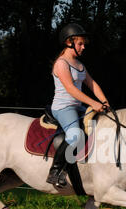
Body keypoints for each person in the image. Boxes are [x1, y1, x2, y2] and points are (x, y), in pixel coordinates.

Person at [46, 23, 110, 188]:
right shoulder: (61, 63)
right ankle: (55, 171)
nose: (83, 47)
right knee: (75, 136)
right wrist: (93, 103)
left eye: (83, 44)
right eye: (80, 44)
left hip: (78, 107)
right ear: (69, 42)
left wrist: (104, 101)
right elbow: (71, 89)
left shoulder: (80, 65)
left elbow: (92, 84)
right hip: (63, 108)